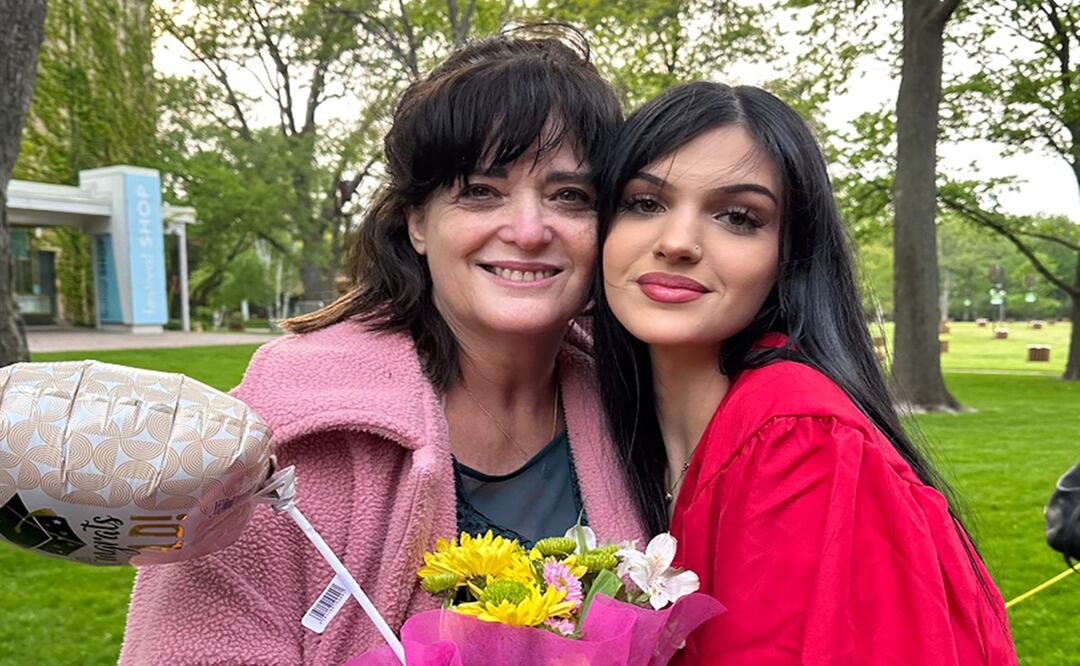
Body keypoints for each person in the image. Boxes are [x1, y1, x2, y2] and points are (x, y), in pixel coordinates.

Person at [120, 26, 645, 666]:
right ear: (417, 221)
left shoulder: (642, 407)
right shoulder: (279, 442)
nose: (530, 230)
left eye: (571, 196)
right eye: (482, 189)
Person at [593, 81, 1018, 664]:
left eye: (738, 217)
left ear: (788, 257)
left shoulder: (800, 442)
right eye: (645, 203)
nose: (677, 242)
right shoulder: (609, 426)